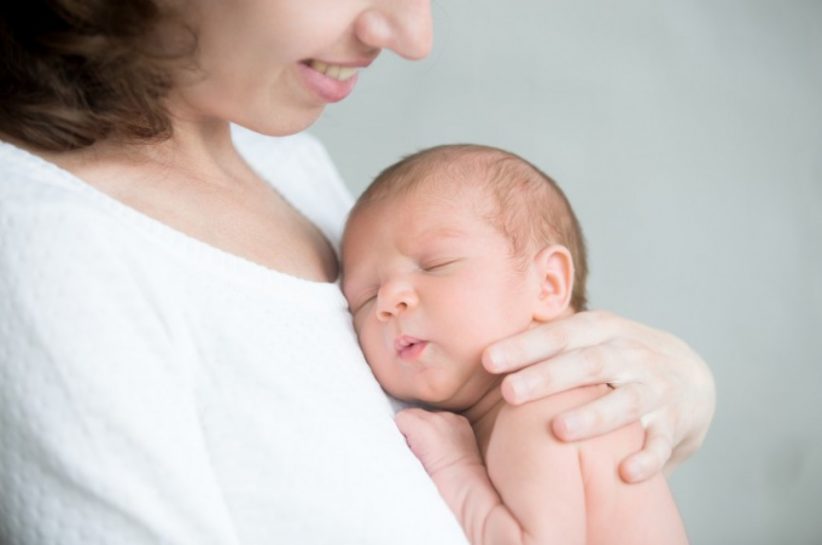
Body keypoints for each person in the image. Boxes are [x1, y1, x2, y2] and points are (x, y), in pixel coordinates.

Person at [0, 1, 714, 544]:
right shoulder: (48, 247)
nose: (412, 33)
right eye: (364, 297)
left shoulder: (282, 159)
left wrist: (678, 390)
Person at [341, 144, 689, 544]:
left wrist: (455, 464)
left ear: (548, 285)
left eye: (435, 265)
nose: (389, 301)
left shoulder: (544, 407)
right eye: (364, 298)